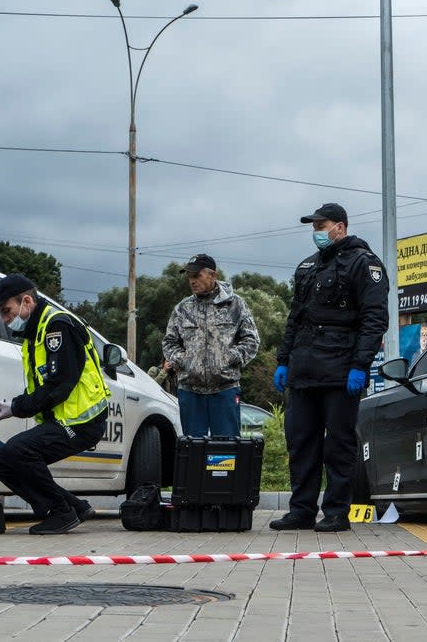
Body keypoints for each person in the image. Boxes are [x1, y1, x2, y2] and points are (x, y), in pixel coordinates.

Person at [270, 203, 389, 532]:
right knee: (300, 442)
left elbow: (375, 319)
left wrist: (360, 365)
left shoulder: (364, 264)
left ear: (340, 226)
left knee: (338, 444)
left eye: (321, 226)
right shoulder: (307, 267)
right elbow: (295, 318)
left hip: (340, 370)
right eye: (314, 227)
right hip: (304, 370)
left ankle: (336, 511)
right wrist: (283, 361)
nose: (316, 232)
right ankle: (301, 510)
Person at [0, 274, 110, 535]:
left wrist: (17, 408)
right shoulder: (35, 332)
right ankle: (75, 507)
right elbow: (44, 384)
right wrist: (13, 406)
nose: (6, 320)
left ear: (26, 301)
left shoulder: (57, 327)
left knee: (19, 452)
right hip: (64, 421)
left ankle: (60, 512)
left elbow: (59, 386)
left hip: (81, 422)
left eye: (7, 311)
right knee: (0, 461)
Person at [162, 254, 260, 437]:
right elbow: (169, 342)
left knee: (226, 453)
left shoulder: (235, 304)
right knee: (193, 450)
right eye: (189, 277)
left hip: (225, 389)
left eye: (197, 276)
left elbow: (251, 339)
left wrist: (230, 358)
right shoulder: (183, 308)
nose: (192, 281)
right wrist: (184, 360)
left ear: (212, 275)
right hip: (190, 391)